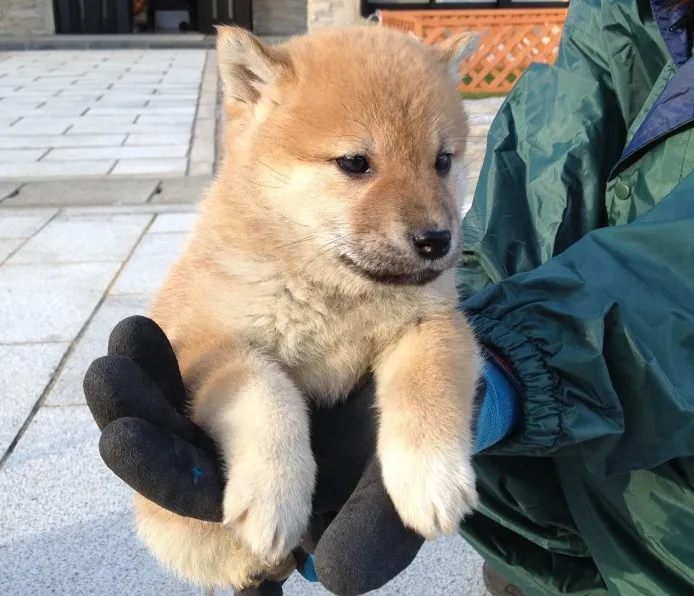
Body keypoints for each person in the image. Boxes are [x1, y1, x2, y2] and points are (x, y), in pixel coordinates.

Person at [84, 0, 694, 593]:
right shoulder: (611, 26)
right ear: (252, 93)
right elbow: (208, 348)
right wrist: (264, 429)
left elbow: (431, 325)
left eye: (441, 162)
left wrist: (471, 405)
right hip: (548, 531)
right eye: (356, 164)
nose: (433, 217)